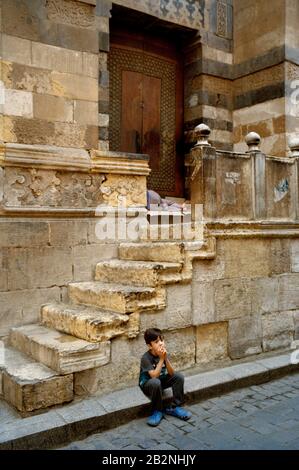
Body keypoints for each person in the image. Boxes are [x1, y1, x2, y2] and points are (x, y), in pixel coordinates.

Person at [139, 327, 191, 427]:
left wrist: (165, 358)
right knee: (156, 382)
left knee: (178, 377)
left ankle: (175, 407)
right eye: (156, 341)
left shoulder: (163, 354)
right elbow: (154, 376)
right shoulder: (145, 358)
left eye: (162, 340)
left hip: (160, 380)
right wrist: (161, 359)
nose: (161, 343)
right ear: (150, 346)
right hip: (148, 383)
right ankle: (157, 410)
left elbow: (171, 373)